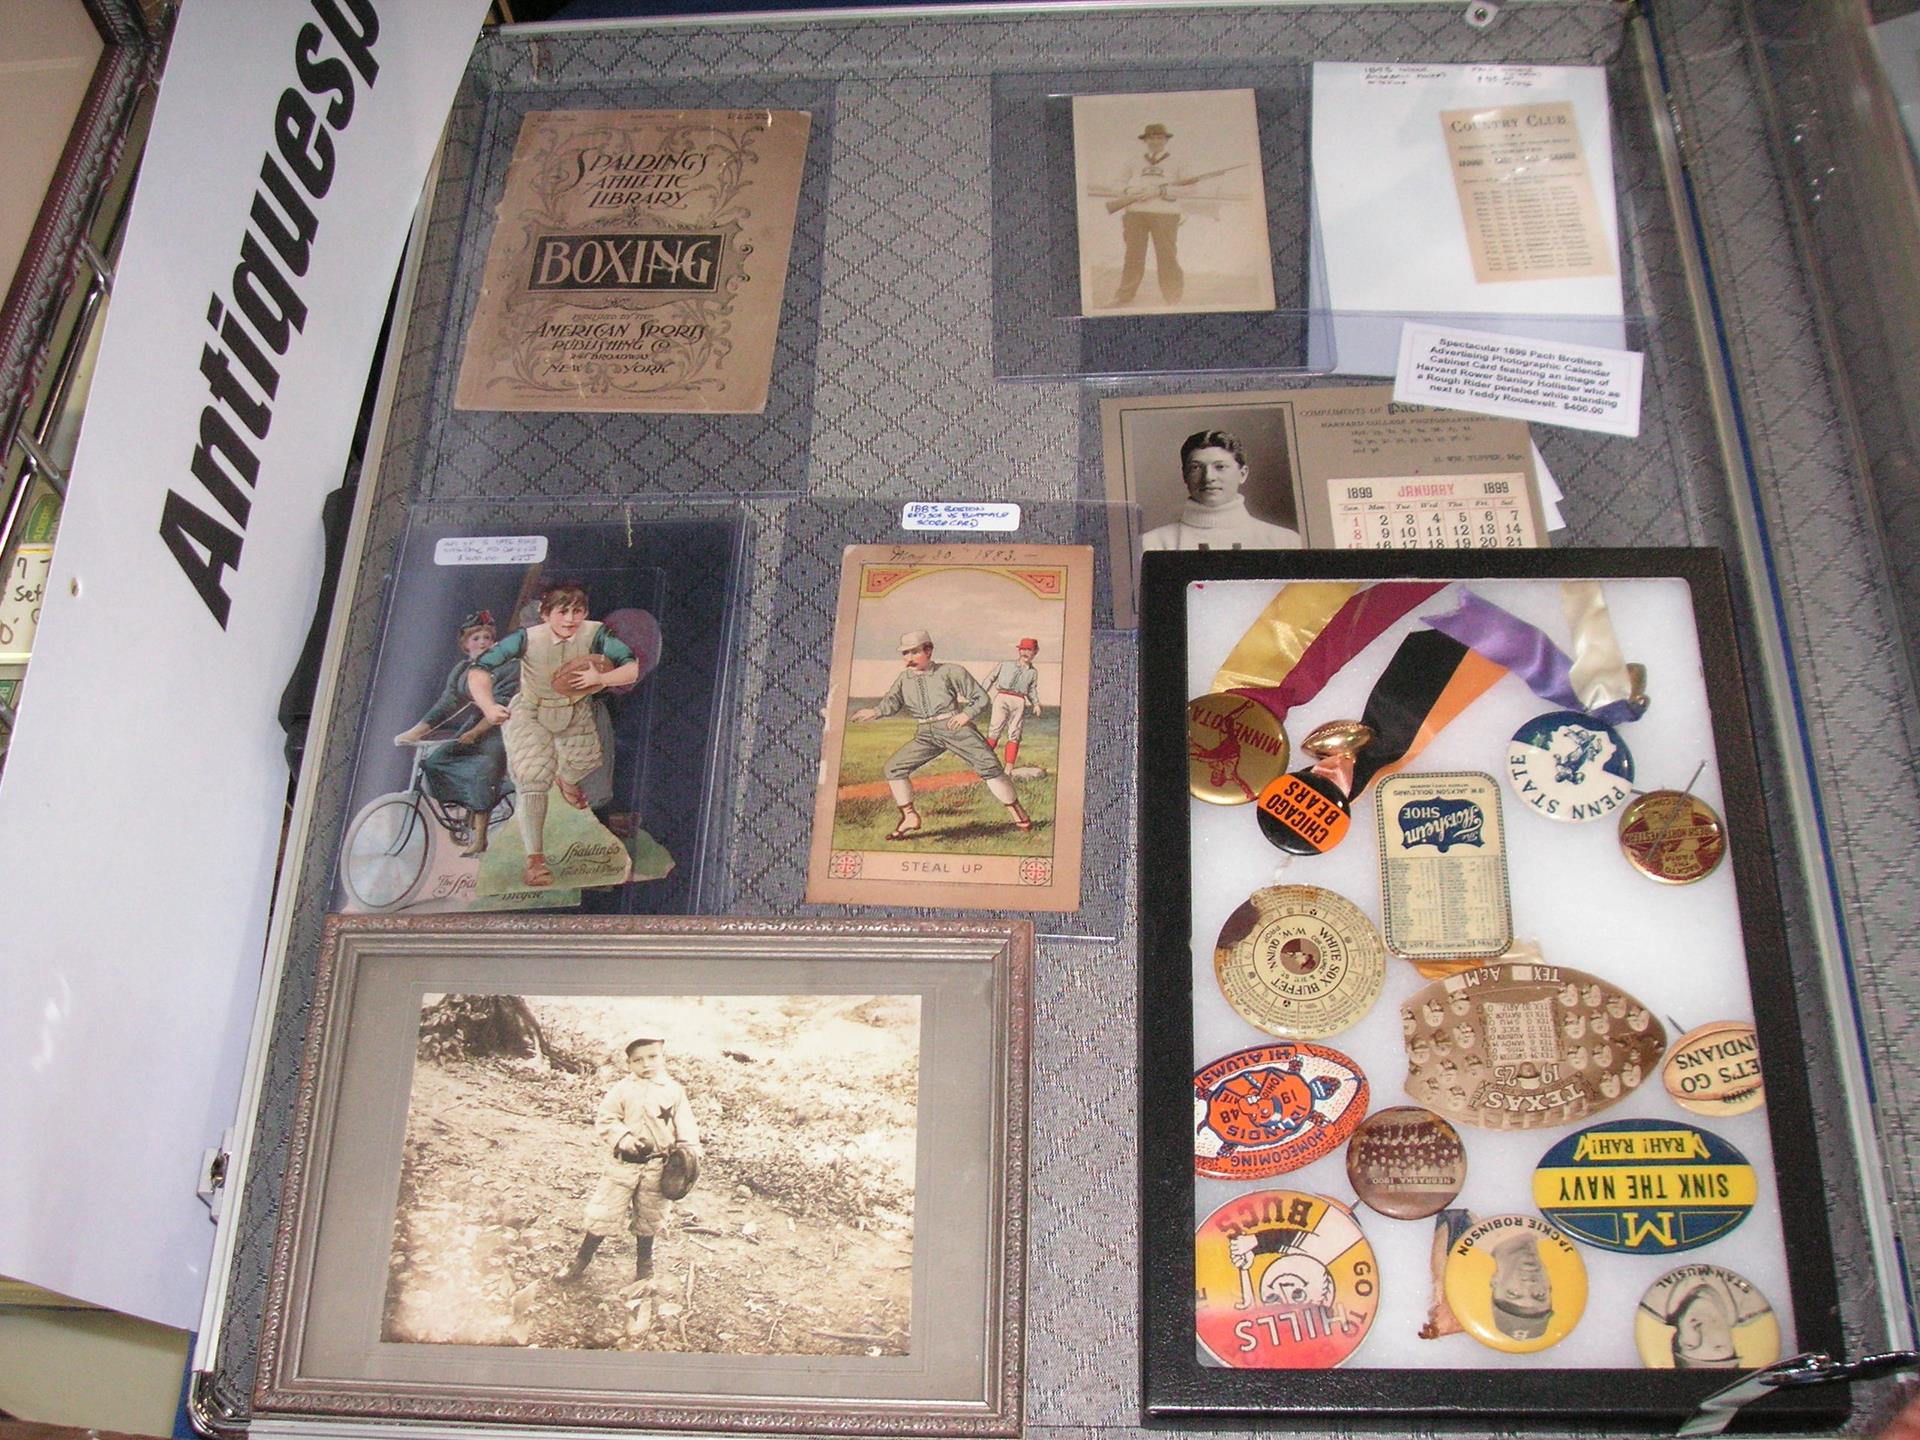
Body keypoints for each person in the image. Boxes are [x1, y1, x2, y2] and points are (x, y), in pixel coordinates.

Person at [466, 580, 639, 887]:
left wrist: (601, 677)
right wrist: (489, 706)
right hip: (531, 711)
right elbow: (479, 670)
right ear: (546, 614)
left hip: (573, 707)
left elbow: (631, 667)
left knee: (587, 761)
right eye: (562, 612)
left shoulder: (595, 634)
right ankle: (535, 862)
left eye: (577, 611)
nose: (570, 619)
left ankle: (567, 780)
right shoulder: (526, 638)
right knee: (533, 781)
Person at [851, 629, 1034, 841]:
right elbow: (891, 703)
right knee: (894, 768)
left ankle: (1018, 814)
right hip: (925, 733)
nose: (909, 658)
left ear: (928, 651)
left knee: (990, 767)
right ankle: (909, 816)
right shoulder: (904, 678)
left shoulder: (950, 671)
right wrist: (874, 712)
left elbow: (981, 698)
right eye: (905, 653)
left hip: (954, 727)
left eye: (914, 652)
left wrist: (966, 715)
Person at [557, 1032, 702, 1285]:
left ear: (663, 1056)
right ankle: (581, 1260)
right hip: (623, 1165)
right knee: (604, 1212)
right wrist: (623, 1138)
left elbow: (686, 1126)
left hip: (658, 1166)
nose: (646, 1064)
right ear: (628, 1063)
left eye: (652, 1057)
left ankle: (644, 1264)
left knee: (650, 1216)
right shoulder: (622, 1090)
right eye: (638, 1060)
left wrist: (688, 1153)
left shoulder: (674, 1091)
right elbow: (607, 1118)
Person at [393, 610, 515, 856]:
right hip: (474, 726)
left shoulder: (507, 667)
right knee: (436, 761)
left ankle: (480, 839)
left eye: (487, 637)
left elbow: (503, 705)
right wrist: (416, 732)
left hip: (501, 730)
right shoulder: (463, 670)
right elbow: (447, 703)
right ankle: (465, 809)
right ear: (465, 644)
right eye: (476, 638)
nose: (482, 642)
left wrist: (476, 732)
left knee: (480, 772)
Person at [1141, 430, 1302, 552]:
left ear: (1243, 474)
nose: (1208, 477)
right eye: (1196, 467)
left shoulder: (1284, 542)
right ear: (1185, 475)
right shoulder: (1152, 544)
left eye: (1220, 467)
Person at [1109, 122, 1187, 307]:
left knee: (1167, 256)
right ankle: (1124, 296)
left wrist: (1160, 191)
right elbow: (1115, 184)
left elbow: (1191, 188)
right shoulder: (1133, 161)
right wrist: (1129, 190)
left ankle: (1172, 298)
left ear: (1166, 140)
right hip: (1135, 213)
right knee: (1133, 256)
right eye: (1151, 138)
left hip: (1165, 214)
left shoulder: (1178, 161)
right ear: (1145, 140)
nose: (1155, 141)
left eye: (1159, 137)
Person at [982, 637, 1043, 770]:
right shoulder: (1005, 665)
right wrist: (981, 693)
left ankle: (1008, 768)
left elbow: (1031, 689)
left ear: (1035, 652)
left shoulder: (1033, 672)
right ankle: (983, 764)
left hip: (1019, 700)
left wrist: (1036, 704)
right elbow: (990, 679)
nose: (1025, 652)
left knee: (1015, 733)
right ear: (1019, 651)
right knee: (994, 731)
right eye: (1023, 649)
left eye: (1029, 650)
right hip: (1002, 697)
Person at [1488, 1233, 1554, 1342]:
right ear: (1549, 1285)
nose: (1529, 1284)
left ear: (1494, 1281)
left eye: (1513, 1293)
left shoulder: (1468, 1233)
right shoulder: (1559, 1230)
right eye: (1540, 1295)